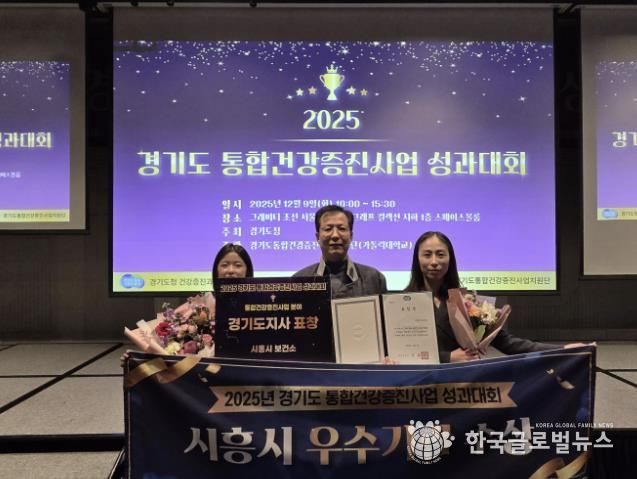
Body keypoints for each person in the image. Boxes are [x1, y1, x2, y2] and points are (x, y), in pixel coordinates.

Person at [405, 231, 575, 363]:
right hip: (420, 385)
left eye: (441, 254)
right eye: (427, 254)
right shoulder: (401, 302)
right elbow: (400, 352)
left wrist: (563, 350)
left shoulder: (468, 301)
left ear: (450, 259)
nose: (434, 261)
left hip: (462, 384)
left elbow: (507, 343)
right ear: (417, 259)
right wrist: (447, 357)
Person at [124, 243, 254, 357]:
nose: (230, 270)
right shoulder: (201, 304)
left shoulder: (258, 303)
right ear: (216, 271)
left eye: (238, 265)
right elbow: (170, 342)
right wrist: (137, 359)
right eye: (225, 265)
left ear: (247, 270)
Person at [293, 204, 387, 298]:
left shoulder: (374, 279)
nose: (335, 235)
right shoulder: (298, 281)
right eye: (328, 229)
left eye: (342, 228)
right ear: (318, 237)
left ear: (351, 236)